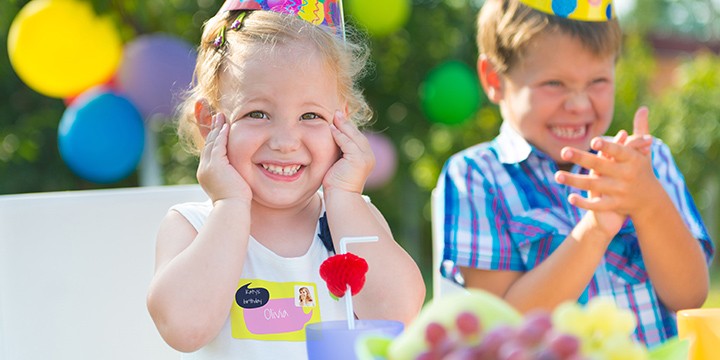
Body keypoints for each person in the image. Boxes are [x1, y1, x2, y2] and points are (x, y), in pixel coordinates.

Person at [146, 1, 425, 358]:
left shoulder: (352, 216)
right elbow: (184, 329)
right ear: (209, 122)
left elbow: (399, 315)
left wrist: (344, 196)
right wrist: (230, 205)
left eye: (310, 115)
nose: (285, 142)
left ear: (343, 123)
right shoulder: (194, 226)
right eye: (257, 113)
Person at [436, 0, 714, 348]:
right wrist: (595, 229)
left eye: (598, 81)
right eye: (555, 84)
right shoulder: (476, 176)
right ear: (495, 79)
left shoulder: (646, 161)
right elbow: (501, 327)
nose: (580, 105)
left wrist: (648, 202)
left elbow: (689, 296)